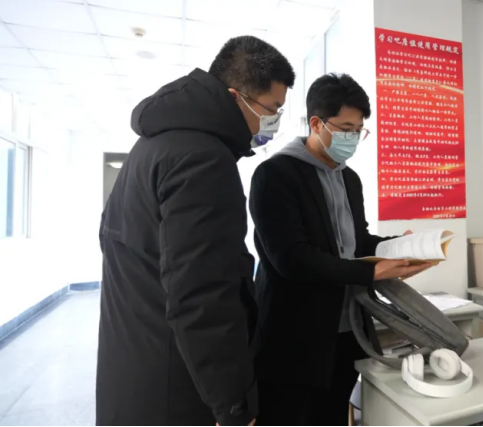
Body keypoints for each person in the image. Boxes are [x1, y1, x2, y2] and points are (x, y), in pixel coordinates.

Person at [97, 36, 295, 426]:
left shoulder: (154, 144)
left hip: (135, 367)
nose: (273, 121)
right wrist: (233, 403)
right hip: (179, 385)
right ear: (237, 97)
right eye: (272, 109)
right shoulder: (203, 159)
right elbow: (202, 294)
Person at [249, 73, 431, 426]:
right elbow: (292, 259)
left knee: (332, 416)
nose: (353, 138)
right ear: (316, 123)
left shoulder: (348, 178)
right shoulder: (275, 175)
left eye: (359, 130)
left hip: (348, 330)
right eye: (346, 128)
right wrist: (370, 271)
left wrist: (400, 247)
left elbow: (357, 241)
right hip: (295, 336)